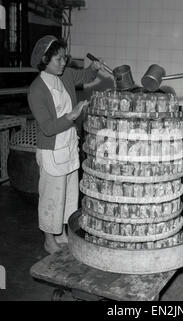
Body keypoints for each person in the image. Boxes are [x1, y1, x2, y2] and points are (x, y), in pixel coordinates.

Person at [28, 35, 104, 254]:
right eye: (59, 59)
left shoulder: (66, 74)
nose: (64, 63)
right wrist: (72, 115)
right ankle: (49, 239)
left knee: (68, 196)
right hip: (51, 150)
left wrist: (94, 68)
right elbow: (48, 128)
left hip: (69, 146)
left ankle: (61, 233)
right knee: (51, 198)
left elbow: (85, 76)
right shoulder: (37, 90)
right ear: (45, 59)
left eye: (65, 58)